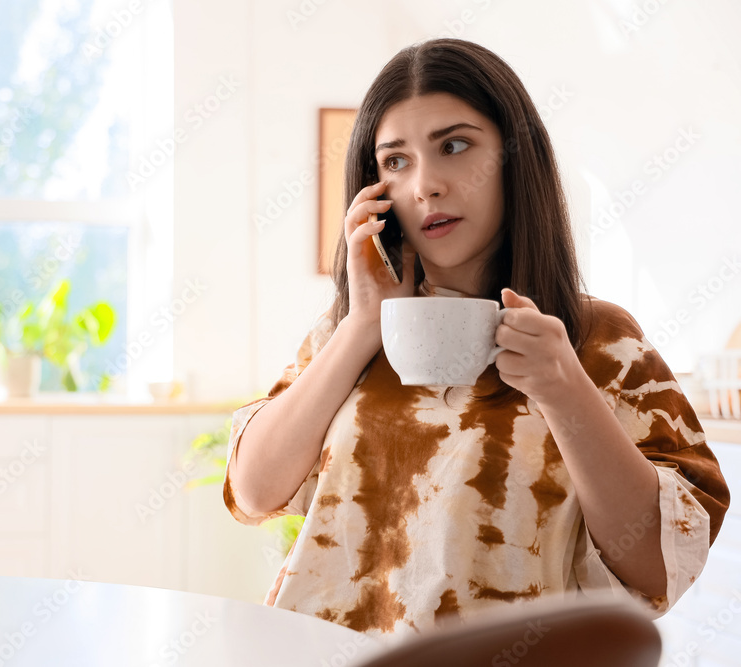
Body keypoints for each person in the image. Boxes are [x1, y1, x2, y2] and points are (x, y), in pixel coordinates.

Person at [222, 38, 730, 645]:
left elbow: (658, 571)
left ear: (515, 159)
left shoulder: (600, 340)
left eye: (454, 146)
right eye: (395, 161)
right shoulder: (350, 332)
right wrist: (361, 325)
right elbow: (254, 491)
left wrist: (563, 389)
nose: (425, 185)